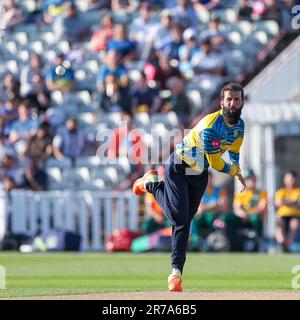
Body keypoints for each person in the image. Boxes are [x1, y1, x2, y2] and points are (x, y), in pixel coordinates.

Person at [133, 82, 246, 292]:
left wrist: (237, 169)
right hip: (180, 165)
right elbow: (215, 162)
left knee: (185, 222)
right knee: (178, 217)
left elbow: (234, 150)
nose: (232, 103)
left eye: (236, 99)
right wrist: (232, 171)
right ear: (221, 103)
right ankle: (152, 184)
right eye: (228, 99)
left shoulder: (240, 126)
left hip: (199, 173)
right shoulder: (210, 126)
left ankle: (176, 273)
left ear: (242, 102)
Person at [275, 170, 300, 252]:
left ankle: (287, 244)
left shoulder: (298, 191)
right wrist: (294, 202)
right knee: (279, 223)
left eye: (293, 179)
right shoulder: (281, 191)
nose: (291, 181)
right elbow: (278, 203)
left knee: (295, 224)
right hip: (282, 216)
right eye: (289, 179)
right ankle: (282, 243)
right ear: (285, 180)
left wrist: (286, 202)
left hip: (295, 216)